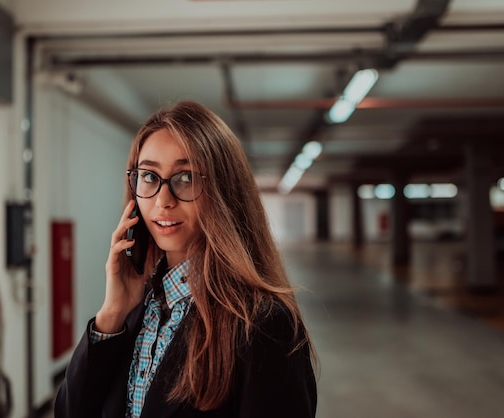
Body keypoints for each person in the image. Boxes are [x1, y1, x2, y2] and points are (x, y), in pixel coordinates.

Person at [54, 101, 318, 418]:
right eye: (149, 176)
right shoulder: (137, 307)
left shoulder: (262, 324)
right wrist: (111, 314)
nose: (163, 201)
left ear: (223, 190)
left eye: (186, 177)